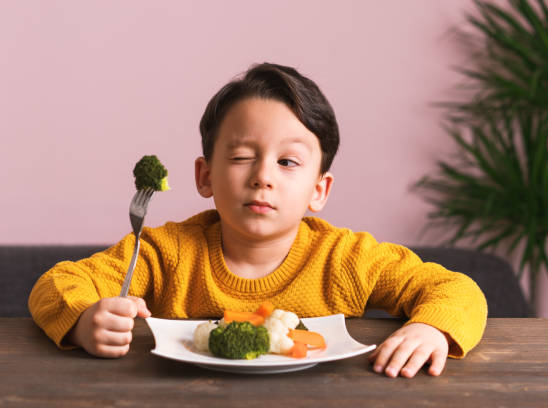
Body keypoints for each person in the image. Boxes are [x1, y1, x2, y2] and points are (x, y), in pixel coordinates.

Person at [28, 62, 487, 378]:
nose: (263, 176)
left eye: (288, 162)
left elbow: (456, 289)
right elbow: (59, 282)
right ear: (205, 176)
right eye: (243, 156)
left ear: (319, 190)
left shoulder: (345, 259)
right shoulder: (164, 253)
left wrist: (432, 328)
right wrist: (85, 319)